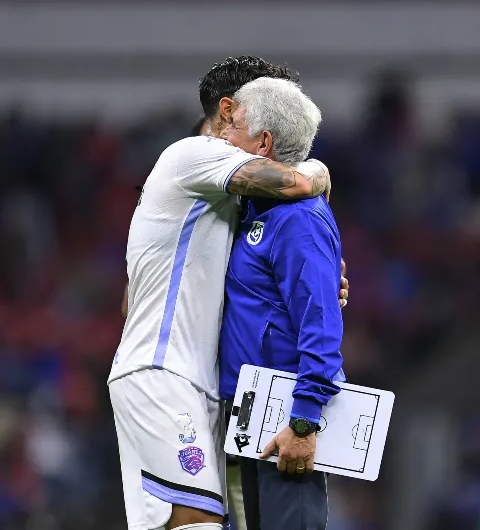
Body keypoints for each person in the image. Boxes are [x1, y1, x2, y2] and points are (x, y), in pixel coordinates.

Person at [108, 56, 342, 530]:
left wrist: (316, 275)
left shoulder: (236, 202)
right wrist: (319, 170)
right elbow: (300, 182)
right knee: (198, 521)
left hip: (209, 388)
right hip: (164, 371)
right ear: (231, 110)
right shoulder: (195, 154)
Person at [218, 77, 345, 530]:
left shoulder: (298, 219)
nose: (222, 136)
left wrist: (305, 421)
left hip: (285, 420)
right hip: (251, 414)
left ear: (264, 143)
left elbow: (321, 322)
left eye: (233, 127)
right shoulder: (256, 209)